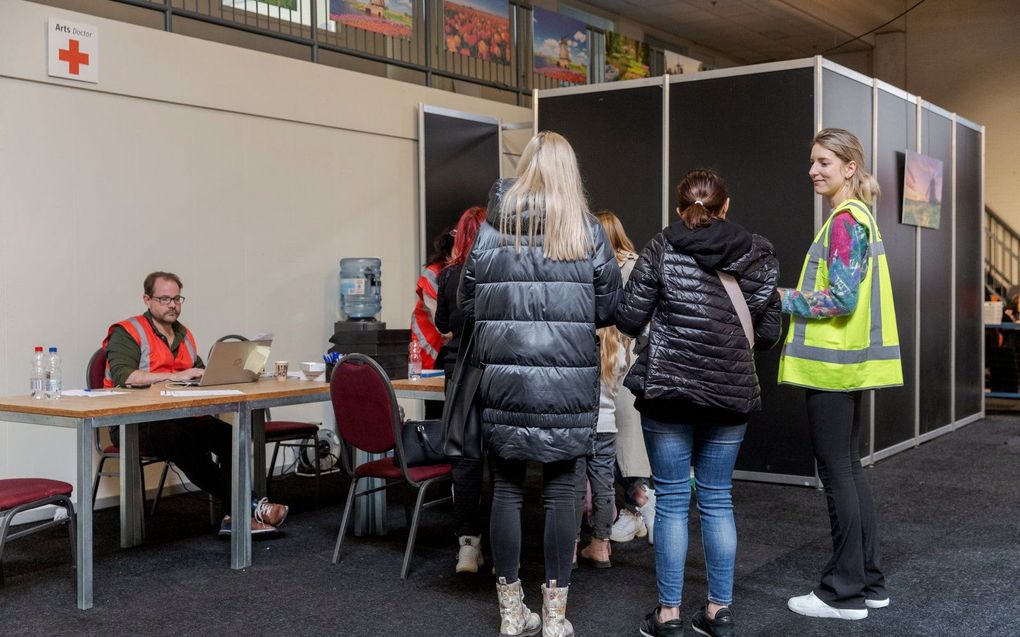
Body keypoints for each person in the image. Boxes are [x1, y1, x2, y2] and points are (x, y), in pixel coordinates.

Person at [459, 131, 621, 637]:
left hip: (504, 380)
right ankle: (554, 618)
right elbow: (610, 308)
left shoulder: (492, 229)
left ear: (524, 167)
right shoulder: (586, 230)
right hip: (568, 384)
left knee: (505, 489)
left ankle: (512, 614)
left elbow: (466, 302)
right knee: (561, 492)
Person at [616, 169, 782, 637]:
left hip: (667, 391)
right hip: (729, 395)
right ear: (726, 207)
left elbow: (629, 319)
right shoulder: (761, 253)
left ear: (678, 209)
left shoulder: (660, 247)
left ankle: (668, 615)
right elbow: (767, 335)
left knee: (670, 500)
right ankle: (718, 612)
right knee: (716, 498)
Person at [780, 128, 903, 621]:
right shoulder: (858, 218)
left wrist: (778, 297)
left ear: (850, 168)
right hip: (844, 369)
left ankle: (843, 592)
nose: (814, 170)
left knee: (838, 477)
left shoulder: (843, 222)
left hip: (832, 370)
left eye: (824, 162)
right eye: (812, 161)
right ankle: (869, 582)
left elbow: (840, 299)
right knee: (849, 472)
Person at [103, 271, 289, 535]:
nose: (172, 305)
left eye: (177, 299)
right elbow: (126, 377)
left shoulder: (185, 335)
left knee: (229, 436)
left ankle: (233, 517)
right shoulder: (127, 331)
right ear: (147, 300)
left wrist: (224, 374)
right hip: (131, 422)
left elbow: (200, 371)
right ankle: (253, 505)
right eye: (164, 299)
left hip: (176, 415)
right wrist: (175, 375)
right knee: (182, 441)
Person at [595, 210, 656, 546]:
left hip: (624, 362)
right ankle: (635, 511)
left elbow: (640, 320)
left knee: (625, 441)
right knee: (614, 441)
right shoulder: (611, 267)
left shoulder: (631, 267)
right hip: (610, 362)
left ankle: (639, 506)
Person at [434, 205, 488, 574]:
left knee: (466, 461)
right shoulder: (500, 275)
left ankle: (467, 544)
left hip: (458, 374)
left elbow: (442, 323)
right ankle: (508, 544)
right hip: (497, 372)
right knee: (504, 463)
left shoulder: (449, 276)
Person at [573, 325, 628, 569]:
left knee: (572, 488)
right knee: (604, 488)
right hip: (607, 426)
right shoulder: (619, 346)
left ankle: (570, 549)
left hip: (577, 424)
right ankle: (600, 547)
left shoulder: (581, 342)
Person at [413, 227, 455, 419]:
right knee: (436, 414)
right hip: (432, 349)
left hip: (445, 348)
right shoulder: (433, 275)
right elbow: (442, 327)